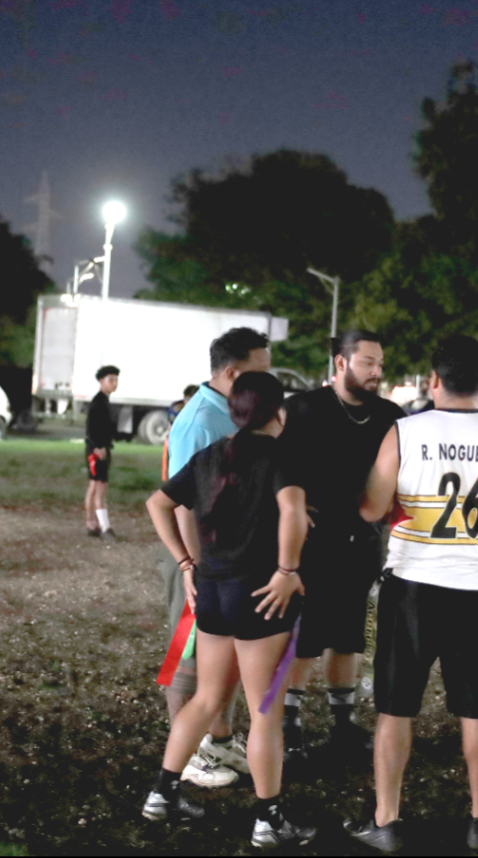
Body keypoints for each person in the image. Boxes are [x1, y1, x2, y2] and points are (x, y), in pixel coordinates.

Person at [345, 336, 478, 854]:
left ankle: (387, 820)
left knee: (395, 709)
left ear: (435, 380)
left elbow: (371, 507)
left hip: (410, 586)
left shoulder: (404, 432)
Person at [142, 372, 316, 850]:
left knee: (207, 698)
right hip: (260, 594)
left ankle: (163, 792)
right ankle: (269, 819)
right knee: (265, 712)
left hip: (213, 591)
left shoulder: (211, 454)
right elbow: (294, 511)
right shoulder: (282, 455)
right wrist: (287, 568)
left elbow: (158, 503)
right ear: (277, 412)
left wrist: (184, 563)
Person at [276, 329, 405, 761]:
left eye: (380, 363)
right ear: (340, 363)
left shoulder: (390, 415)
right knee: (304, 637)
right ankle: (288, 724)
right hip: (312, 544)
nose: (377, 371)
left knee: (349, 636)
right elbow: (275, 470)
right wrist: (290, 512)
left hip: (365, 543)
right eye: (368, 362)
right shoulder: (301, 410)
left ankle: (342, 723)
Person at [159, 327, 272, 788]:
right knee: (190, 650)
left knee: (221, 655)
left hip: (227, 558)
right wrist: (192, 565)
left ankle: (219, 742)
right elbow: (182, 501)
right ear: (231, 372)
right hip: (202, 558)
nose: (269, 381)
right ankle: (184, 756)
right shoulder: (200, 421)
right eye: (260, 371)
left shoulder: (229, 412)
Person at [85, 366, 120, 540]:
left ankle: (91, 523)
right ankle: (105, 527)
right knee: (100, 487)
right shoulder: (98, 402)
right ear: (101, 381)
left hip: (99, 449)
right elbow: (91, 428)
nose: (114, 383)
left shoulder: (104, 401)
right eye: (110, 379)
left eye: (116, 379)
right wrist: (99, 447)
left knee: (94, 486)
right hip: (97, 451)